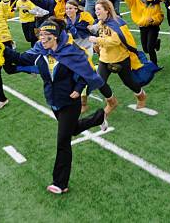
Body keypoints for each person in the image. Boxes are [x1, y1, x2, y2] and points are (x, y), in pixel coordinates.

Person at [9, 18, 115, 195]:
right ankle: (99, 117)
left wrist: (78, 88)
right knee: (73, 130)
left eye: (46, 35)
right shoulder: (39, 51)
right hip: (53, 101)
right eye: (40, 35)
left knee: (63, 142)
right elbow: (19, 58)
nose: (42, 38)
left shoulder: (71, 51)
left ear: (56, 37)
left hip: (70, 102)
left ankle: (60, 182)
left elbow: (84, 70)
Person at [89, 0, 160, 111]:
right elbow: (95, 29)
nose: (96, 11)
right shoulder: (101, 22)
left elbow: (115, 41)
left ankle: (141, 97)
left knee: (129, 82)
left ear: (107, 10)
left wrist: (97, 40)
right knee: (99, 81)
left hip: (121, 59)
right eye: (95, 9)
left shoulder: (117, 23)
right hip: (104, 59)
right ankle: (112, 102)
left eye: (98, 9)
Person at [121, 0, 163, 65]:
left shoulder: (153, 0)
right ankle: (156, 42)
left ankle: (154, 64)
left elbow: (160, 15)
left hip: (153, 26)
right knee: (145, 49)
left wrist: (153, 19)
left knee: (150, 47)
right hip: (142, 26)